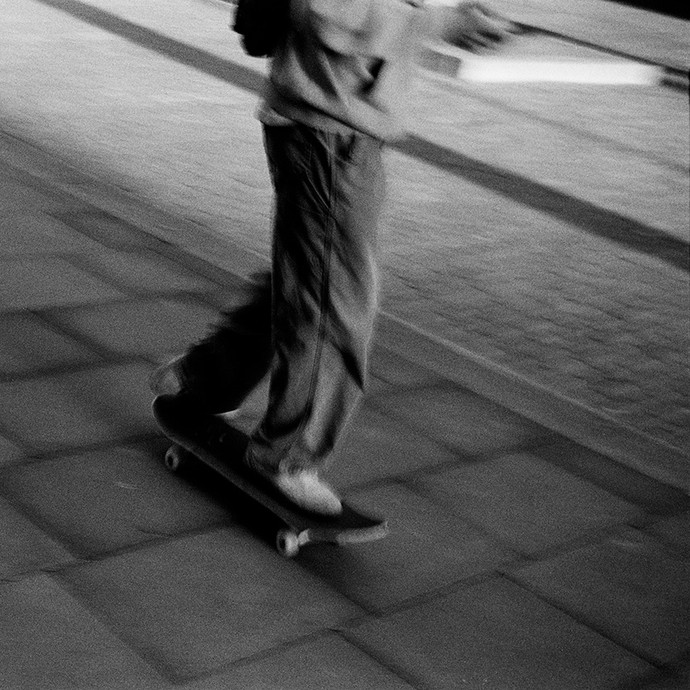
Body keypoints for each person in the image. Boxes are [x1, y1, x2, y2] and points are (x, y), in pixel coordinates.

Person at [150, 0, 515, 516]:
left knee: (312, 274)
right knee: (335, 298)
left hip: (330, 119)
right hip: (329, 127)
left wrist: (449, 20)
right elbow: (322, 12)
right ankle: (287, 455)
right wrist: (442, 21)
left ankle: (205, 377)